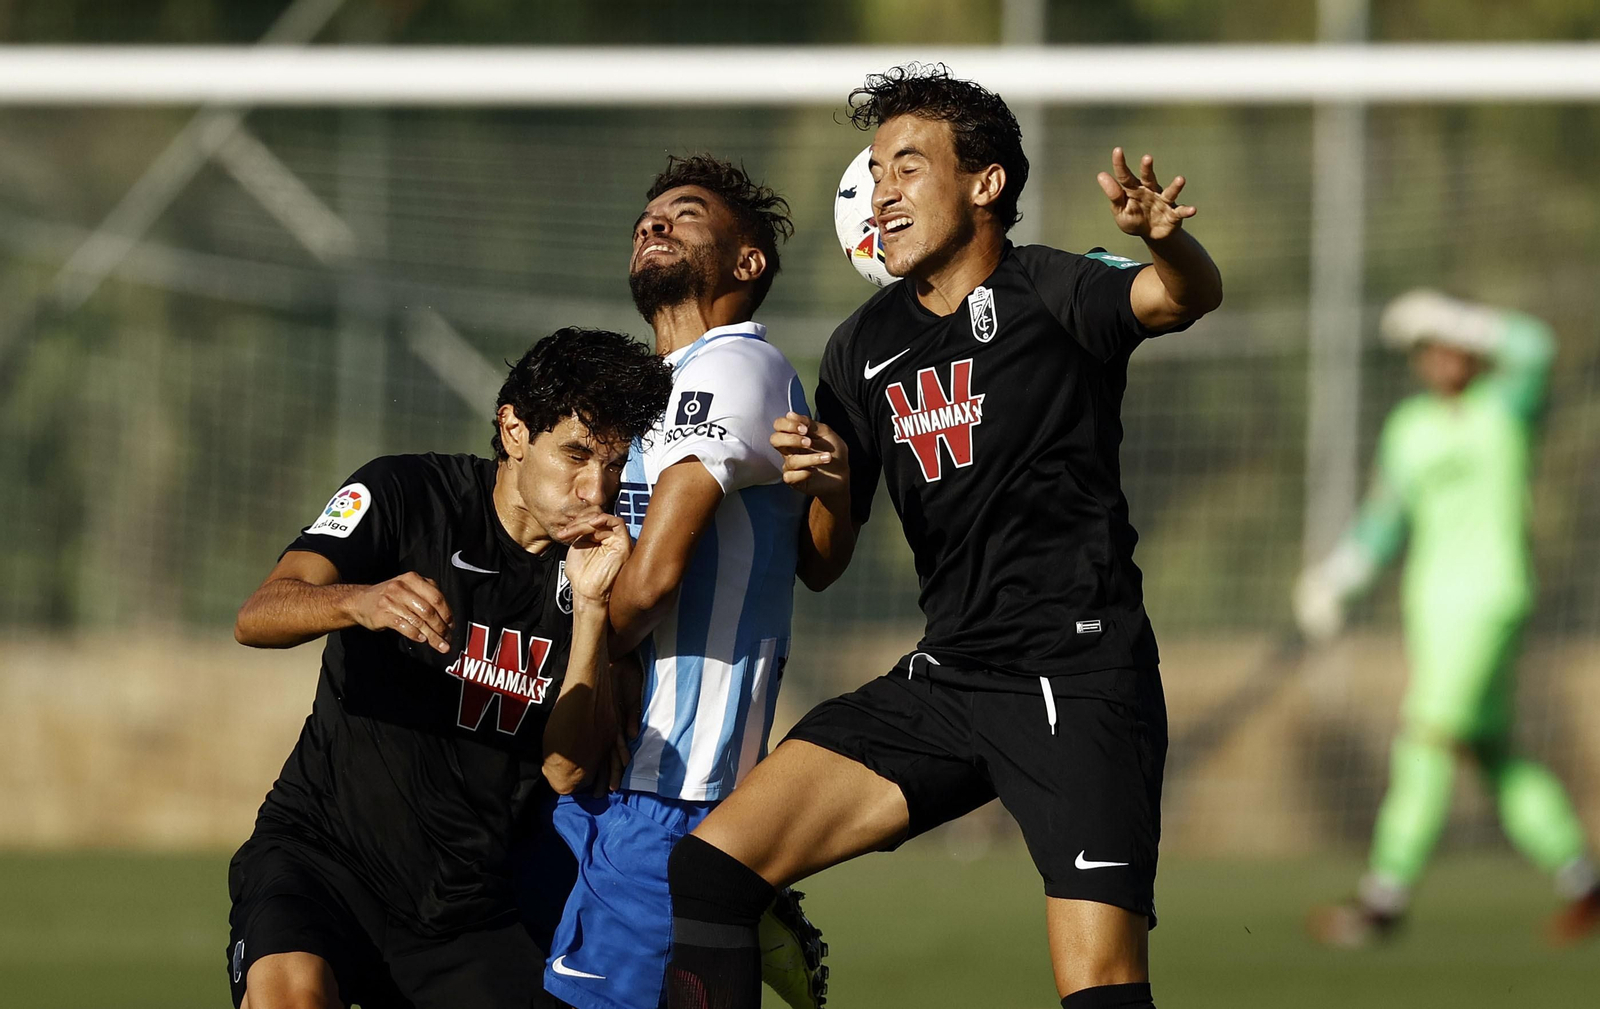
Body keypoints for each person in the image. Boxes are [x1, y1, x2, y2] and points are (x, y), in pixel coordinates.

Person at [663, 64, 1223, 1009]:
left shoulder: (1053, 287)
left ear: (986, 184)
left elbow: (1181, 298)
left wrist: (1171, 245)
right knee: (714, 868)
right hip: (954, 674)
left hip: (1077, 676)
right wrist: (833, 487)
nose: (883, 189)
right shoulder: (860, 346)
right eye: (876, 169)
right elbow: (824, 562)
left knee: (1100, 987)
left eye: (909, 166)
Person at [225, 328, 673, 1009]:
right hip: (323, 860)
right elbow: (257, 614)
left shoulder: (604, 569)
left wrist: (589, 610)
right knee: (292, 995)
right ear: (514, 429)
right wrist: (358, 600)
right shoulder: (405, 493)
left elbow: (567, 771)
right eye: (577, 455)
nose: (596, 488)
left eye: (613, 466)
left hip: (464, 910)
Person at [541, 155, 826, 1009]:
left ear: (748, 264)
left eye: (686, 213)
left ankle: (745, 906)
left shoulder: (734, 369)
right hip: (622, 780)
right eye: (647, 217)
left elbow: (656, 574)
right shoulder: (649, 394)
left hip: (677, 787)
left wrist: (594, 646)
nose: (653, 223)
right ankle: (754, 911)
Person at [1296, 290, 1600, 948]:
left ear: (1470, 348)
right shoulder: (1410, 427)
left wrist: (1456, 314)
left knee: (1426, 737)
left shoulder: (1505, 409)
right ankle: (1584, 880)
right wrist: (1337, 579)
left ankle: (1384, 897)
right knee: (1493, 752)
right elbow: (1385, 521)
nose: (1445, 358)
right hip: (1433, 609)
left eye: (1453, 343)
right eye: (1431, 348)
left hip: (1491, 598)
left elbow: (1536, 348)